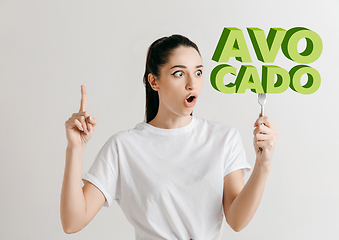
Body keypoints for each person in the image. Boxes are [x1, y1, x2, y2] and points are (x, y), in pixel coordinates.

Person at [61, 34, 278, 239]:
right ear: (154, 82)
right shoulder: (124, 147)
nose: (192, 83)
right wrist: (75, 149)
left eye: (199, 72)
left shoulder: (224, 138)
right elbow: (72, 222)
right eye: (179, 73)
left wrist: (263, 164)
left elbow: (237, 220)